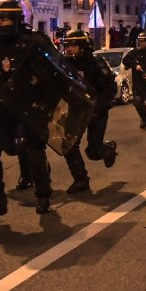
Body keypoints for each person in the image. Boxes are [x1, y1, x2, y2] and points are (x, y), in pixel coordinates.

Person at [0, 0, 62, 219]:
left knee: (31, 150)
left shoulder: (35, 40)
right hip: (4, 107)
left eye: (6, 18)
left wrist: (45, 103)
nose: (1, 22)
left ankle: (43, 195)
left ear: (16, 19)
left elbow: (56, 73)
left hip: (30, 106)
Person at [58, 30, 118, 194]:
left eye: (72, 45)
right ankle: (81, 180)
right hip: (76, 111)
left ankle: (108, 150)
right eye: (67, 45)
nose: (69, 49)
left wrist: (98, 108)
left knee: (93, 151)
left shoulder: (96, 62)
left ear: (82, 46)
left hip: (96, 112)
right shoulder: (65, 63)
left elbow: (110, 88)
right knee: (69, 146)